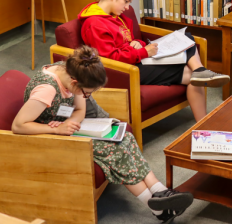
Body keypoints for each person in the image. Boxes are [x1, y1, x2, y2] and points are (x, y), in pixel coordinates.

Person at [11, 46, 193, 223]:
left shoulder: (72, 73)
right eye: (88, 92)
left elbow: (80, 110)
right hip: (46, 137)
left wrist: (69, 122)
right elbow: (18, 125)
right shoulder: (47, 89)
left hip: (66, 128)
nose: (88, 96)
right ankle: (157, 207)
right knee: (113, 151)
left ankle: (160, 192)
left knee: (125, 137)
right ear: (75, 84)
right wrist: (56, 130)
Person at [79, 0, 229, 122]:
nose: (127, 8)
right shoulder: (95, 23)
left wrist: (137, 43)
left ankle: (200, 70)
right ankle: (203, 123)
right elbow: (111, 58)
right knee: (191, 76)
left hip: (136, 58)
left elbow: (129, 38)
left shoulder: (114, 15)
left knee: (187, 38)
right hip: (126, 69)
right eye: (126, 1)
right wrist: (144, 52)